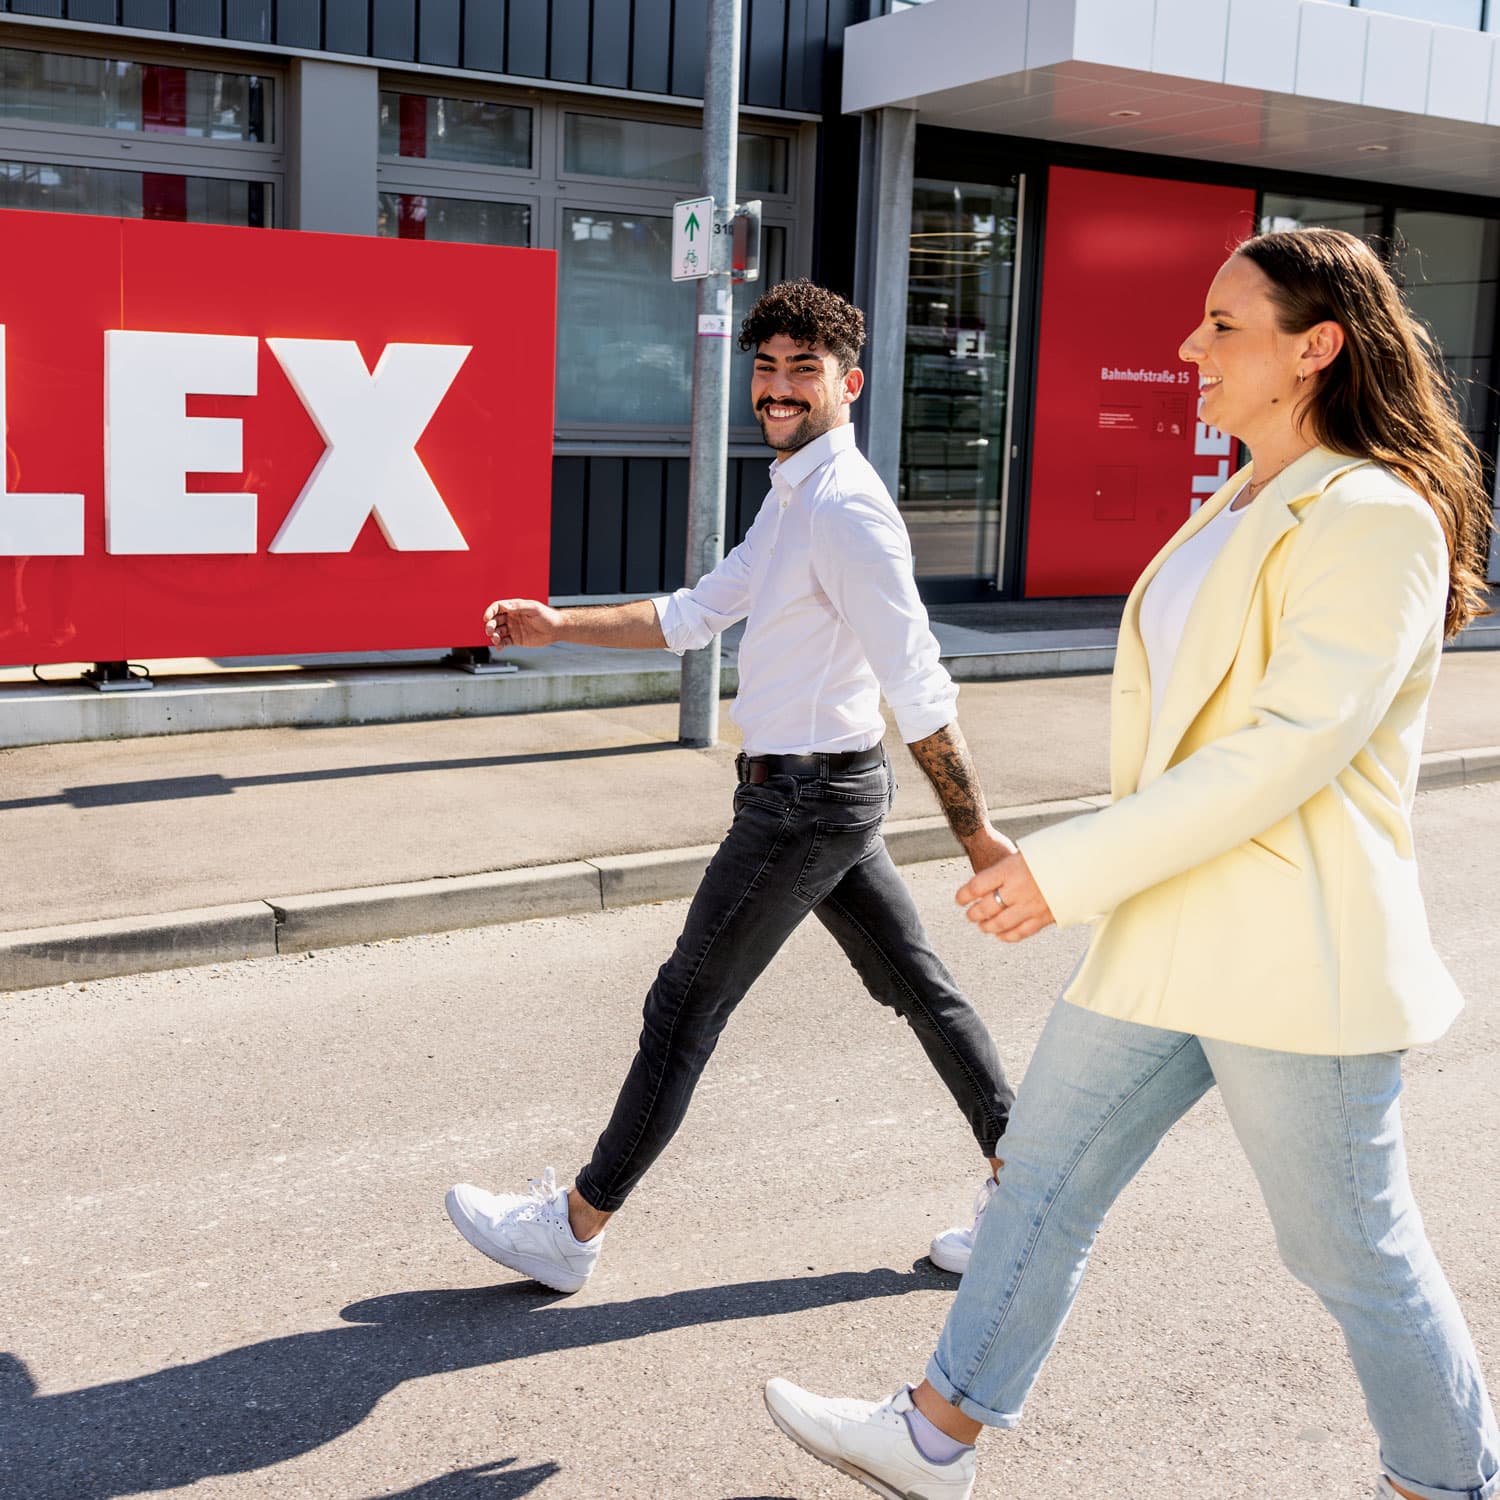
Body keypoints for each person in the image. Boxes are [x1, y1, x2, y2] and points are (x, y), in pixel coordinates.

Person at [764, 228, 1499, 1500]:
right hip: (1171, 928)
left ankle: (1449, 1484)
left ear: (1314, 349)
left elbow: (1286, 750)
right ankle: (938, 1434)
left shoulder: (1374, 516)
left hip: (1291, 950)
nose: (1188, 346)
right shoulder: (1245, 496)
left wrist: (1071, 866)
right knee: (1041, 1176)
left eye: (1223, 326)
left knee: (1355, 1256)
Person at [444, 280, 1016, 1295]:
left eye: (804, 370)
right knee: (919, 989)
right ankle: (1029, 1199)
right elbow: (696, 613)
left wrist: (979, 836)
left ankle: (572, 1229)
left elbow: (918, 682)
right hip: (821, 795)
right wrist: (556, 622)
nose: (780, 388)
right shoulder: (793, 494)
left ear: (850, 383)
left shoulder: (847, 512)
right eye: (767, 369)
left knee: (683, 1008)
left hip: (805, 806)